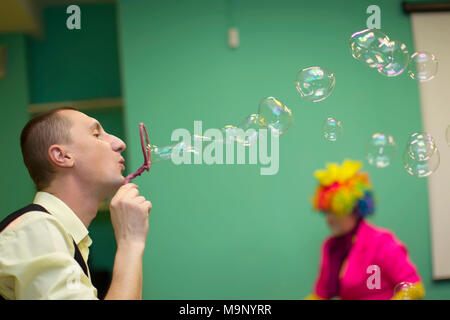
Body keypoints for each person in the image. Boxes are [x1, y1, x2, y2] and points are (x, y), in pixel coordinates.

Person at [0, 107, 151, 300]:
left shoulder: (61, 237)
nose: (120, 143)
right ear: (62, 156)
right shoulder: (37, 230)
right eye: (97, 134)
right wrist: (130, 242)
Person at [306, 159, 425, 300]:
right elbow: (321, 295)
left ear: (353, 209)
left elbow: (414, 287)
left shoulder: (381, 242)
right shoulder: (330, 247)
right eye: (326, 212)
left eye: (335, 211)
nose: (328, 219)